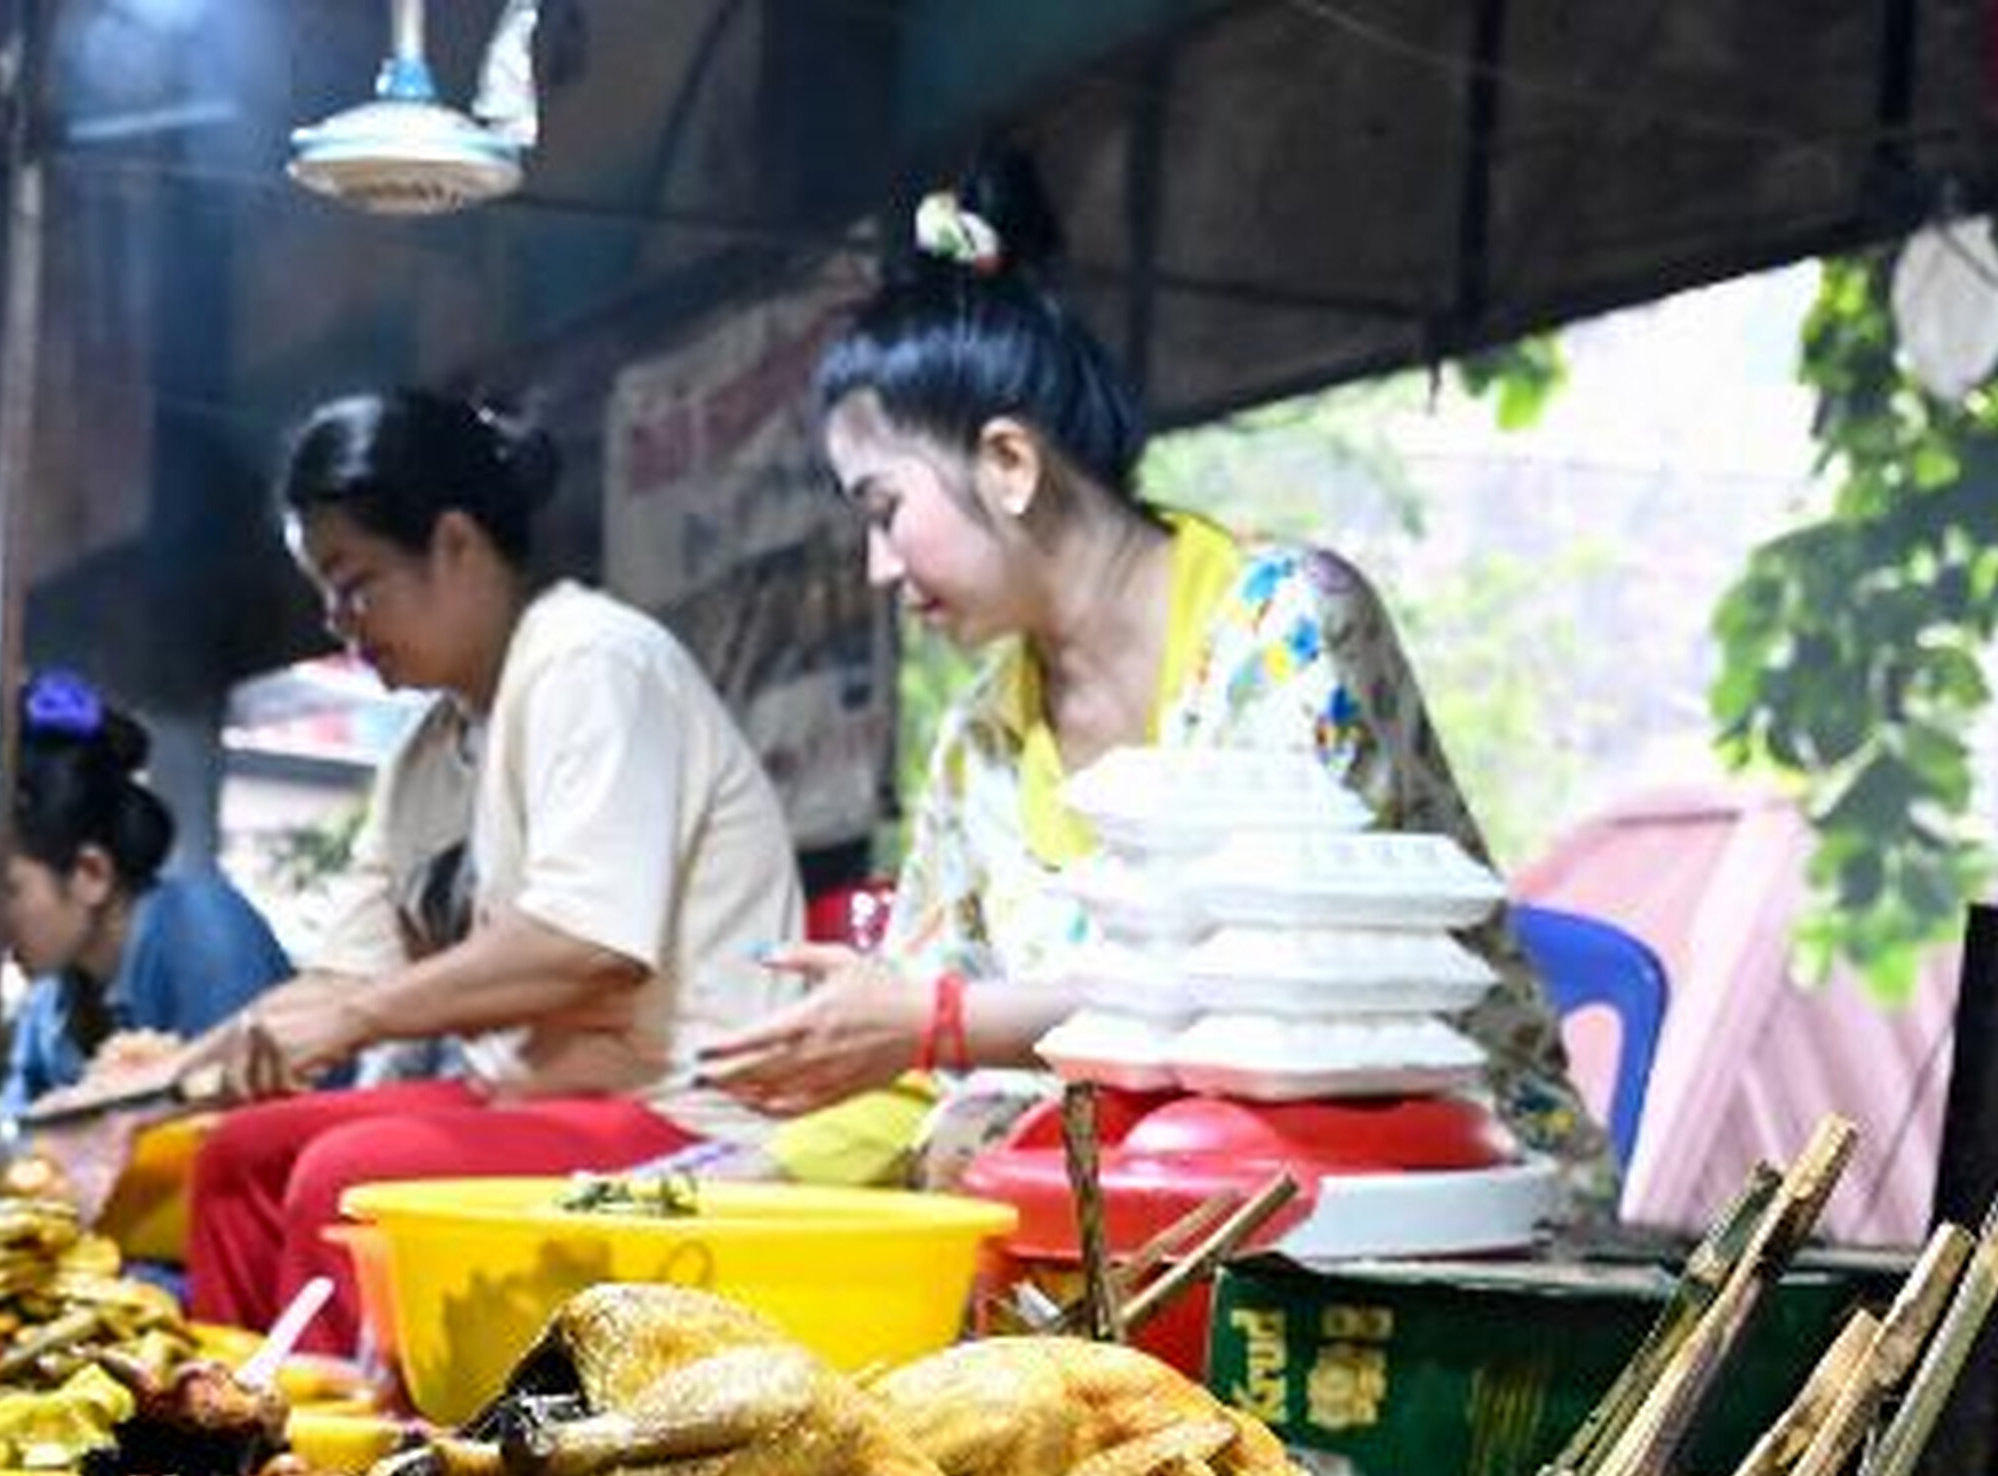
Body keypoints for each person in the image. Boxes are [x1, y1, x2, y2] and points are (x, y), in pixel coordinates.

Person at [696, 155, 1609, 1205]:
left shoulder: (1290, 628)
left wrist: (935, 1018)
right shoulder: (982, 738)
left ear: (1008, 464)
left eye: (884, 510)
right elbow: (926, 1068)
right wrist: (717, 1186)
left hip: (1435, 1200)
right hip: (1145, 1205)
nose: (879, 568)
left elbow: (1267, 1008)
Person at [174, 389, 805, 1350]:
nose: (340, 622)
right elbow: (350, 974)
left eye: (356, 582)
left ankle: (347, 1469)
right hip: (533, 1101)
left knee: (349, 1175)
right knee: (238, 1157)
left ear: (457, 544)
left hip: (677, 1115)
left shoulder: (594, 660)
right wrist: (205, 1057)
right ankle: (213, 1440)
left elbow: (586, 946)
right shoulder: (426, 749)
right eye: (325, 593)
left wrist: (351, 1018)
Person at [0, 672, 293, 1118]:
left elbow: (232, 1120)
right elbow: (8, 1136)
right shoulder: (51, 998)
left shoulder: (205, 935)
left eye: (8, 890)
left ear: (90, 874)